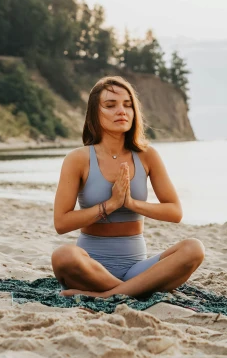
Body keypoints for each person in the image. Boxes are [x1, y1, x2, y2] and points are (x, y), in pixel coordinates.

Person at [52, 75, 205, 298]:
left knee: (194, 249)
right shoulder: (78, 159)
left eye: (128, 104)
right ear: (95, 113)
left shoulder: (147, 155)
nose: (122, 111)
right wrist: (109, 205)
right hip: (90, 267)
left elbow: (174, 212)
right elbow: (61, 222)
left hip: (137, 270)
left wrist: (132, 204)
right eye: (110, 105)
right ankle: (135, 291)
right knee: (63, 256)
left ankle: (108, 294)